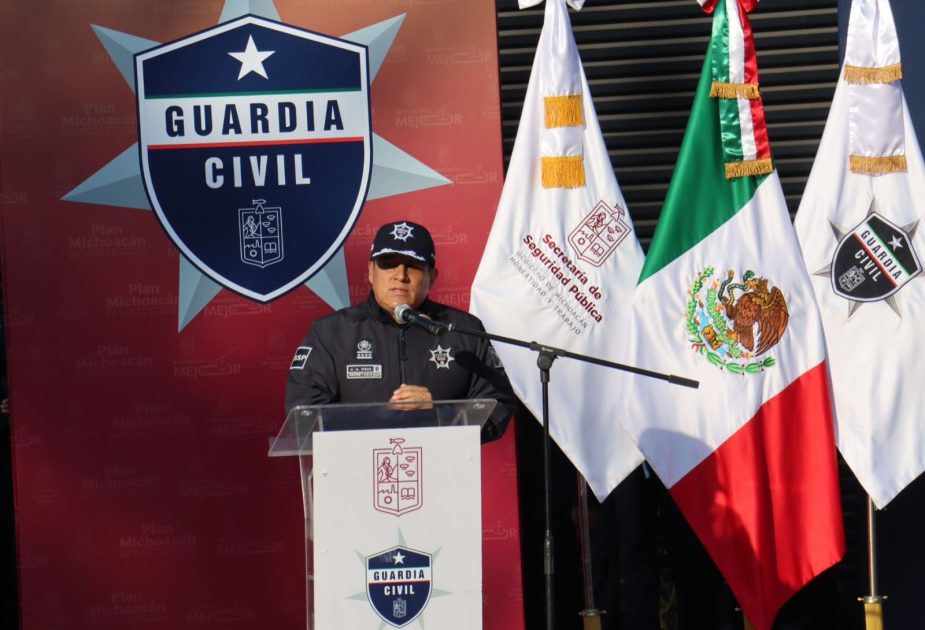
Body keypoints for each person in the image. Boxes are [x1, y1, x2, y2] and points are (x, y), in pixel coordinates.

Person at [285, 220, 516, 440]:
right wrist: (380, 419)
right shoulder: (331, 332)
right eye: (388, 264)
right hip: (357, 466)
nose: (400, 275)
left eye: (413, 266)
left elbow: (497, 407)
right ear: (371, 271)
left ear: (432, 276)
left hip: (442, 465)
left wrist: (439, 413)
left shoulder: (463, 331)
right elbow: (304, 416)